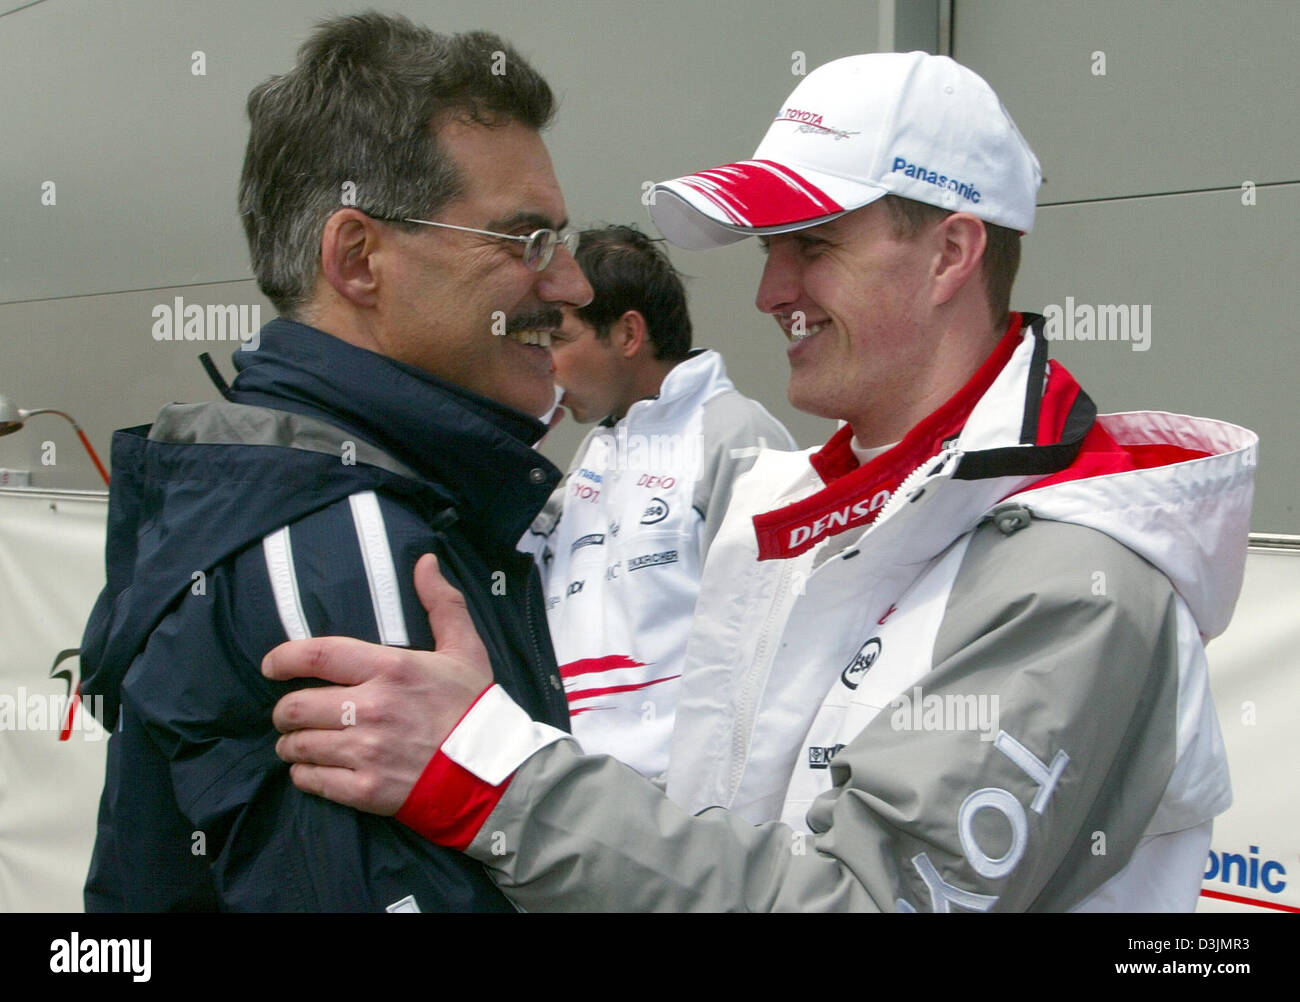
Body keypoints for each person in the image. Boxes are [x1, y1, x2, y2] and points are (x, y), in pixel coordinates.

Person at [264, 52, 1257, 911]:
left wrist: (493, 778)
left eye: (813, 246)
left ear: (950, 252)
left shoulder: (1080, 582)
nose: (768, 291)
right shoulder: (786, 511)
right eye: (771, 247)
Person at [79, 13, 592, 911]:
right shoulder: (339, 539)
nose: (571, 286)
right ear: (358, 258)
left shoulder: (343, 494)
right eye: (526, 242)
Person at [525, 224, 794, 778]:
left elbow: (782, 644)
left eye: (560, 340)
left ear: (628, 334)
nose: (545, 363)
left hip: (693, 817)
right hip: (577, 806)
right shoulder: (589, 459)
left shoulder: (734, 434)